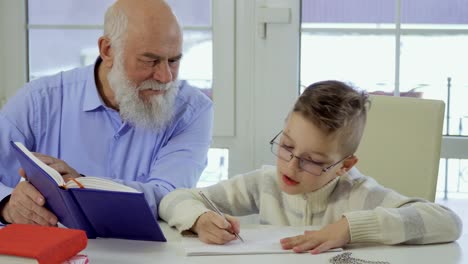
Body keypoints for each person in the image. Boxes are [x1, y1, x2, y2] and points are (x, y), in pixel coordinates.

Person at [159, 80, 462, 254]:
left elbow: (447, 222)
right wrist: (199, 219)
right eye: (287, 146)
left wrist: (348, 228)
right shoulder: (264, 183)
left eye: (314, 161)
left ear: (345, 166)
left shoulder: (359, 195)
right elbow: (173, 199)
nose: (290, 168)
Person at [0, 0, 212, 226]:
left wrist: (84, 185)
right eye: (150, 61)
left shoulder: (192, 111)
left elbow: (169, 197)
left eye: (173, 61)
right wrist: (6, 205)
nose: (166, 77)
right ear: (108, 50)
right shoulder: (39, 100)